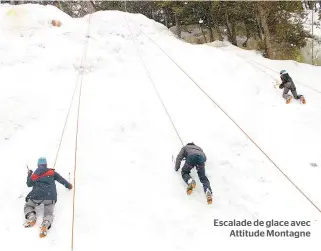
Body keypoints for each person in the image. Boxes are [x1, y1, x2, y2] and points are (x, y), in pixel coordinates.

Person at [24, 157, 72, 237]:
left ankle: (31, 217)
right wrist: (69, 186)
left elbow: (29, 184)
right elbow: (62, 180)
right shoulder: (52, 173)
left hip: (36, 196)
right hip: (50, 196)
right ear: (46, 165)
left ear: (38, 165)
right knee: (48, 213)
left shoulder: (35, 174)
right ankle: (45, 224)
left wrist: (29, 174)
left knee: (28, 205)